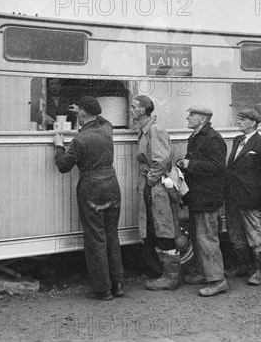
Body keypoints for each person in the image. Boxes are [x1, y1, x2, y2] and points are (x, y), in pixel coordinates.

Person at [53, 96, 124, 300]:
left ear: (82, 113)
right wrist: (84, 110)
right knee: (112, 236)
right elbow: (102, 119)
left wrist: (58, 145)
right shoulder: (107, 129)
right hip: (111, 184)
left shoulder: (80, 140)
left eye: (80, 113)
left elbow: (63, 166)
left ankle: (103, 289)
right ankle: (118, 284)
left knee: (95, 239)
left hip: (91, 188)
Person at [131, 95, 181, 290]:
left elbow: (161, 160)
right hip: (151, 185)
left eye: (134, 107)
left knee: (164, 229)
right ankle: (163, 273)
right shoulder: (145, 130)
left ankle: (170, 278)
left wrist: (151, 180)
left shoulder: (154, 129)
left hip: (157, 186)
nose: (131, 109)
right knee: (154, 228)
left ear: (143, 110)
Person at [177, 106, 229, 297]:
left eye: (192, 115)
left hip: (207, 198)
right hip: (198, 197)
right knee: (200, 237)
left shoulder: (213, 138)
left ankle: (217, 280)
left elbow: (218, 166)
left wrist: (190, 164)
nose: (188, 117)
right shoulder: (198, 136)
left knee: (207, 239)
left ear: (203, 119)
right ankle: (204, 273)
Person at [224, 109, 261, 285]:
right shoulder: (237, 140)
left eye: (243, 120)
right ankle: (243, 266)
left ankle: (260, 271)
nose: (238, 122)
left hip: (249, 197)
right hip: (233, 196)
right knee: (235, 233)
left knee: (254, 234)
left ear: (253, 122)